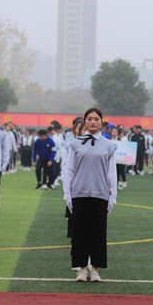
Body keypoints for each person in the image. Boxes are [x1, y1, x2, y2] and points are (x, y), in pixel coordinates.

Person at [63, 108, 117, 282]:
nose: (93, 122)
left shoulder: (108, 146)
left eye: (96, 119)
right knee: (80, 234)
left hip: (100, 194)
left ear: (101, 122)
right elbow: (69, 171)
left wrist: (112, 196)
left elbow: (112, 174)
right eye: (90, 119)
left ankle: (95, 269)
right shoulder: (75, 143)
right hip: (79, 193)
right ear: (85, 122)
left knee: (98, 234)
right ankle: (81, 268)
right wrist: (67, 195)